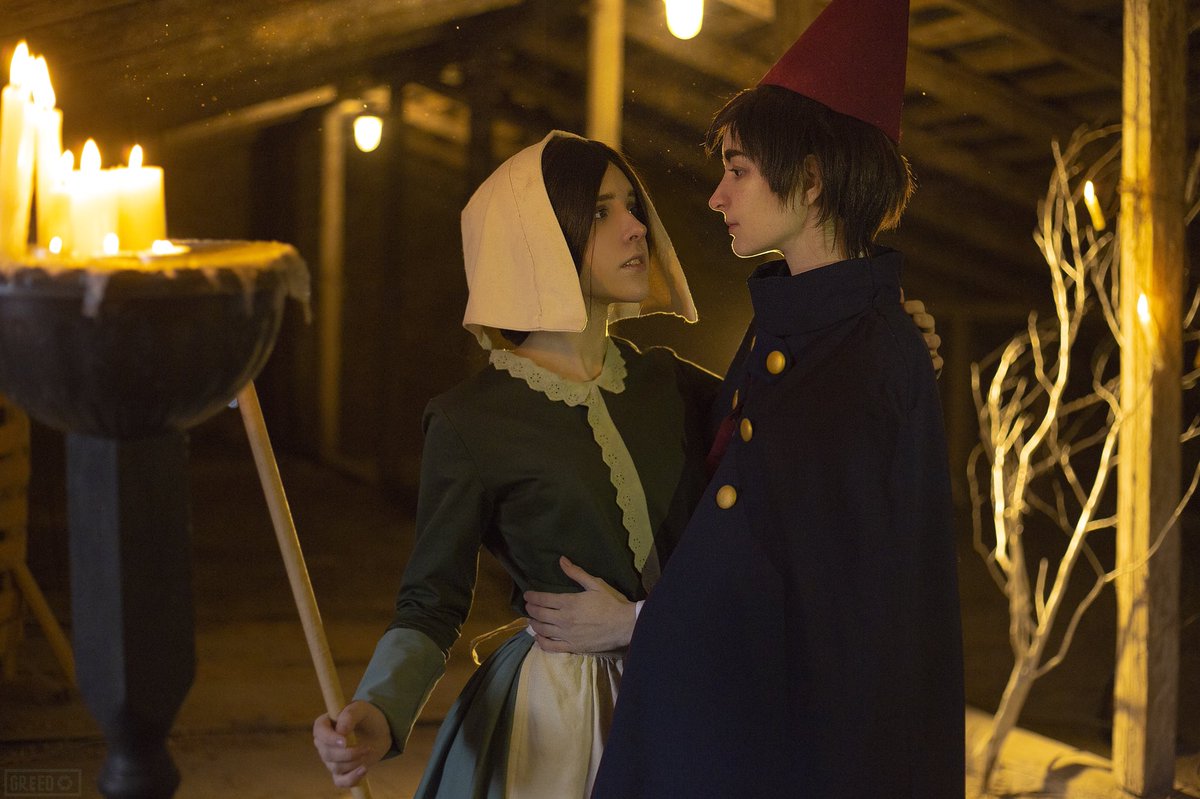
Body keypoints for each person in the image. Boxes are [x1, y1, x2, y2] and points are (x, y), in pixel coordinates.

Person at [587, 0, 966, 796]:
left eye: (739, 170)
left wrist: (637, 622)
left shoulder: (864, 351)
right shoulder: (806, 327)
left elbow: (813, 584)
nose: (718, 196)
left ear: (814, 178)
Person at [312, 130, 718, 798]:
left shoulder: (670, 384)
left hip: (690, 688)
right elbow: (431, 601)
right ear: (538, 240)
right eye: (601, 212)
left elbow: (783, 448)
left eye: (631, 205)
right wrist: (379, 710)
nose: (636, 227)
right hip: (563, 721)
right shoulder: (471, 421)